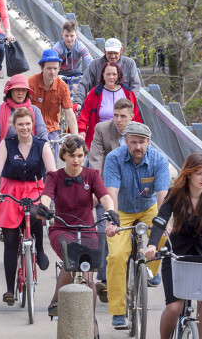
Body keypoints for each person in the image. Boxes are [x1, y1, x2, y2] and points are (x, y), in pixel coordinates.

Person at [145, 153, 202, 339]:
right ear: (188, 174)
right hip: (177, 256)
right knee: (174, 307)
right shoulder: (175, 194)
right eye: (199, 174)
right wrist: (152, 245)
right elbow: (161, 220)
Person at [38, 136, 119, 338]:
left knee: (89, 277)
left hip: (88, 229)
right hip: (62, 229)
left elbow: (104, 195)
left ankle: (90, 322)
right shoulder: (54, 176)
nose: (77, 160)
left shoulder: (91, 175)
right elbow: (46, 196)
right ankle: (56, 299)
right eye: (72, 155)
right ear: (64, 155)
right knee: (71, 257)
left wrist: (111, 210)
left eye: (81, 155)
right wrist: (44, 207)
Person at [103, 122, 170, 328]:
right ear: (126, 141)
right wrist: (111, 219)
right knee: (116, 257)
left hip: (147, 208)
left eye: (142, 142)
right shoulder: (114, 158)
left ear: (148, 142)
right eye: (133, 142)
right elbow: (111, 191)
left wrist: (166, 223)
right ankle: (118, 312)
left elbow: (162, 196)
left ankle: (151, 270)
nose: (138, 147)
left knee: (164, 236)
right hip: (121, 210)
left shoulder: (159, 160)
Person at [0, 107, 56, 306]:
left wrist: (50, 196)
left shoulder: (42, 145)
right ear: (14, 126)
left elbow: (51, 173)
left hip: (35, 188)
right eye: (20, 124)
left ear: (32, 124)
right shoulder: (7, 144)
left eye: (28, 124)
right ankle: (10, 289)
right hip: (11, 189)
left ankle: (40, 250)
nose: (24, 128)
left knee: (35, 213)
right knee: (10, 238)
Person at [87, 97, 136, 297]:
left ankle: (145, 266)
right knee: (104, 227)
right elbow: (96, 160)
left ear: (131, 117)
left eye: (123, 116)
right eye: (115, 115)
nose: (118, 120)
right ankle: (105, 280)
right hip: (108, 186)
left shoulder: (138, 133)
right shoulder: (102, 129)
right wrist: (97, 192)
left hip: (132, 189)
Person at [78, 61, 142, 149]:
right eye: (108, 74)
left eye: (114, 74)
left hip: (124, 136)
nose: (111, 77)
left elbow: (136, 116)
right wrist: (81, 132)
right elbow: (84, 115)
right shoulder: (95, 93)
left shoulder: (128, 93)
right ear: (103, 75)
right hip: (101, 136)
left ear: (118, 75)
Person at [0, 74, 48, 162]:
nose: (20, 93)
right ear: (10, 91)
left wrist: (46, 149)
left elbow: (42, 133)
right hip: (6, 154)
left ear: (27, 92)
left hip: (31, 155)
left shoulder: (35, 110)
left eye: (23, 90)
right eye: (17, 90)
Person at [28, 49, 78, 156]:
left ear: (59, 68)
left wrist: (75, 137)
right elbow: (23, 108)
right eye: (49, 68)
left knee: (52, 162)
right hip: (32, 128)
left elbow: (69, 113)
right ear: (42, 68)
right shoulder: (31, 83)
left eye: (55, 68)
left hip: (52, 130)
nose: (53, 72)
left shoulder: (63, 87)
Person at [74, 37, 141, 105]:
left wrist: (130, 103)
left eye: (115, 53)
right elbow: (84, 84)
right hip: (100, 105)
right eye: (110, 53)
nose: (113, 56)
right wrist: (77, 102)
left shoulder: (129, 64)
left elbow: (135, 85)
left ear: (121, 51)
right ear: (104, 50)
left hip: (123, 105)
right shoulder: (95, 65)